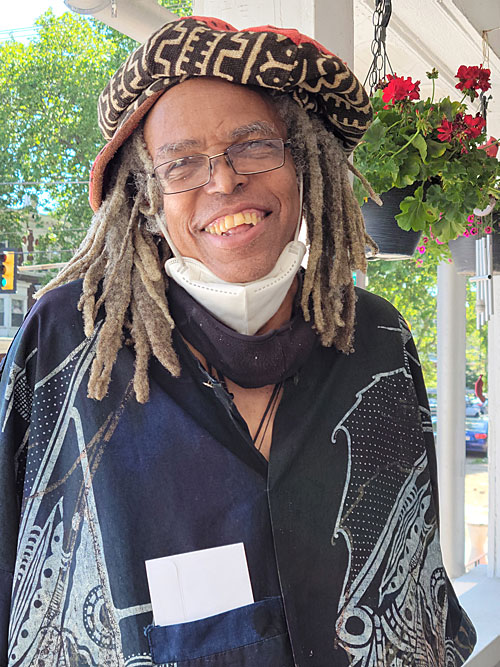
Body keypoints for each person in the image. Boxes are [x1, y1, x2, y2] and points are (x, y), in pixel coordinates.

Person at [0, 16, 476, 667]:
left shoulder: (379, 344)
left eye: (253, 146)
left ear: (303, 161)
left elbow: (418, 590)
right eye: (182, 163)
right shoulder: (65, 348)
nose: (223, 182)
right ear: (145, 196)